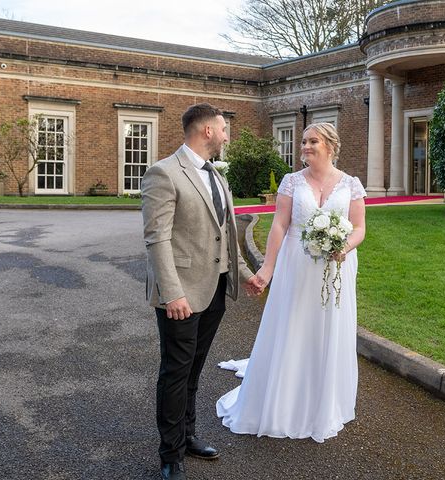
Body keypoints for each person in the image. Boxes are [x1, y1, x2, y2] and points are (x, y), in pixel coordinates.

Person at [216, 122, 367, 442]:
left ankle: (323, 401)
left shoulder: (351, 184)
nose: (306, 146)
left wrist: (345, 246)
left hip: (336, 267)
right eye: (303, 142)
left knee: (328, 328)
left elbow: (359, 228)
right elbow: (279, 227)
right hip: (296, 265)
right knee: (293, 325)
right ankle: (284, 400)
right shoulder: (291, 182)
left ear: (330, 145)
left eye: (313, 141)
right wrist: (267, 270)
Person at [142, 103, 260, 480]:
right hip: (180, 295)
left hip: (215, 291)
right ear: (207, 130)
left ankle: (188, 435)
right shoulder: (164, 173)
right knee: (175, 372)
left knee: (195, 369)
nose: (227, 136)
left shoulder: (216, 176)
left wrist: (244, 274)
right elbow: (156, 239)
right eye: (224, 129)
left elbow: (226, 234)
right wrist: (172, 292)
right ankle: (170, 454)